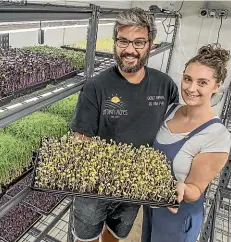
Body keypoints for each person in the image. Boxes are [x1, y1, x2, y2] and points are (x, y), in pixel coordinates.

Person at [70, 7, 179, 242]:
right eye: (123, 41)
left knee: (116, 233)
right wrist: (104, 176)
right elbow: (81, 139)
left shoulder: (165, 86)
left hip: (134, 187)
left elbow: (173, 134)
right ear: (115, 42)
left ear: (150, 44)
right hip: (94, 189)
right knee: (86, 236)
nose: (130, 50)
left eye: (139, 42)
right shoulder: (96, 87)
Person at [141, 43, 231, 242]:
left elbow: (196, 190)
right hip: (151, 205)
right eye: (187, 79)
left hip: (177, 217)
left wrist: (180, 188)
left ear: (217, 86)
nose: (191, 88)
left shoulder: (216, 136)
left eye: (202, 82)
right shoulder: (169, 110)